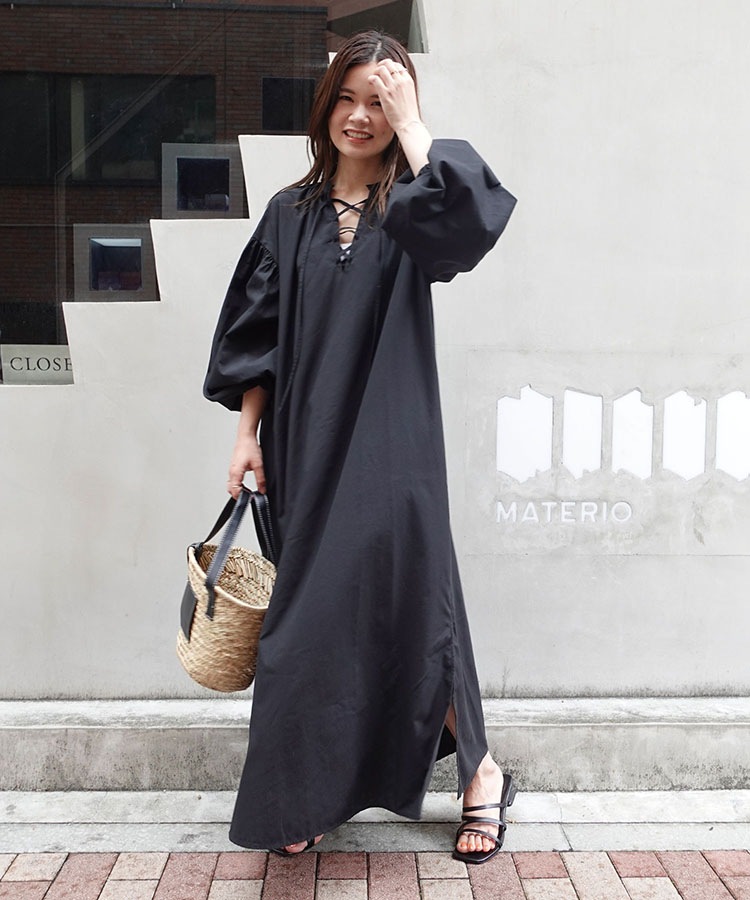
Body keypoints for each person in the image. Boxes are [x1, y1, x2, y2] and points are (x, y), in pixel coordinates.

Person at [203, 30, 517, 864]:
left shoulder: (415, 204)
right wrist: (246, 437)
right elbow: (256, 335)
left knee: (417, 604)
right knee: (307, 623)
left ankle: (480, 771)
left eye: (380, 100)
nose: (359, 115)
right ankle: (305, 793)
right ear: (324, 106)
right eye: (347, 96)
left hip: (395, 438)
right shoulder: (289, 213)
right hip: (304, 440)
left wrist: (414, 126)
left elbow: (470, 223)